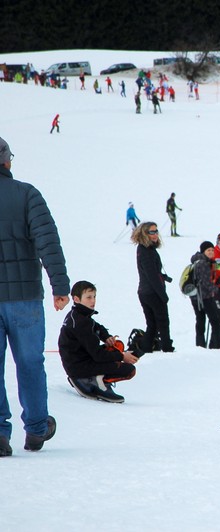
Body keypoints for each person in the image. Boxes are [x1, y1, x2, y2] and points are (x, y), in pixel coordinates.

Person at [0, 136, 68, 456]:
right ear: (6, 161)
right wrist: (60, 286)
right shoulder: (27, 194)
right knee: (29, 362)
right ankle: (37, 428)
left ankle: (0, 433)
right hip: (24, 297)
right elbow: (47, 241)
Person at [58, 281, 140, 403]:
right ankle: (92, 382)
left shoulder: (78, 315)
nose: (93, 301)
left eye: (94, 297)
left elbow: (96, 326)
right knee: (129, 370)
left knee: (117, 346)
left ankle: (94, 377)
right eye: (89, 297)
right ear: (76, 299)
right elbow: (98, 355)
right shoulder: (80, 323)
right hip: (79, 368)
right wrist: (122, 356)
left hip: (80, 361)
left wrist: (106, 337)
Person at [132, 222, 174, 353]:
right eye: (152, 232)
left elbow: (151, 272)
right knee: (162, 322)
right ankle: (167, 349)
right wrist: (163, 295)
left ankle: (146, 349)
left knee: (152, 324)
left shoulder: (145, 249)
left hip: (145, 292)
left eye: (156, 231)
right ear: (145, 233)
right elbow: (151, 276)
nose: (155, 234)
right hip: (151, 292)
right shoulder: (146, 251)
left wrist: (163, 277)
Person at [189, 242, 220, 349]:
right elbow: (205, 282)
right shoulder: (203, 263)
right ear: (203, 251)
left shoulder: (199, 261)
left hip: (195, 297)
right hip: (205, 297)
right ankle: (217, 346)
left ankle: (200, 346)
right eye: (208, 250)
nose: (211, 252)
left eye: (212, 250)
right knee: (216, 321)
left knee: (200, 321)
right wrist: (216, 289)